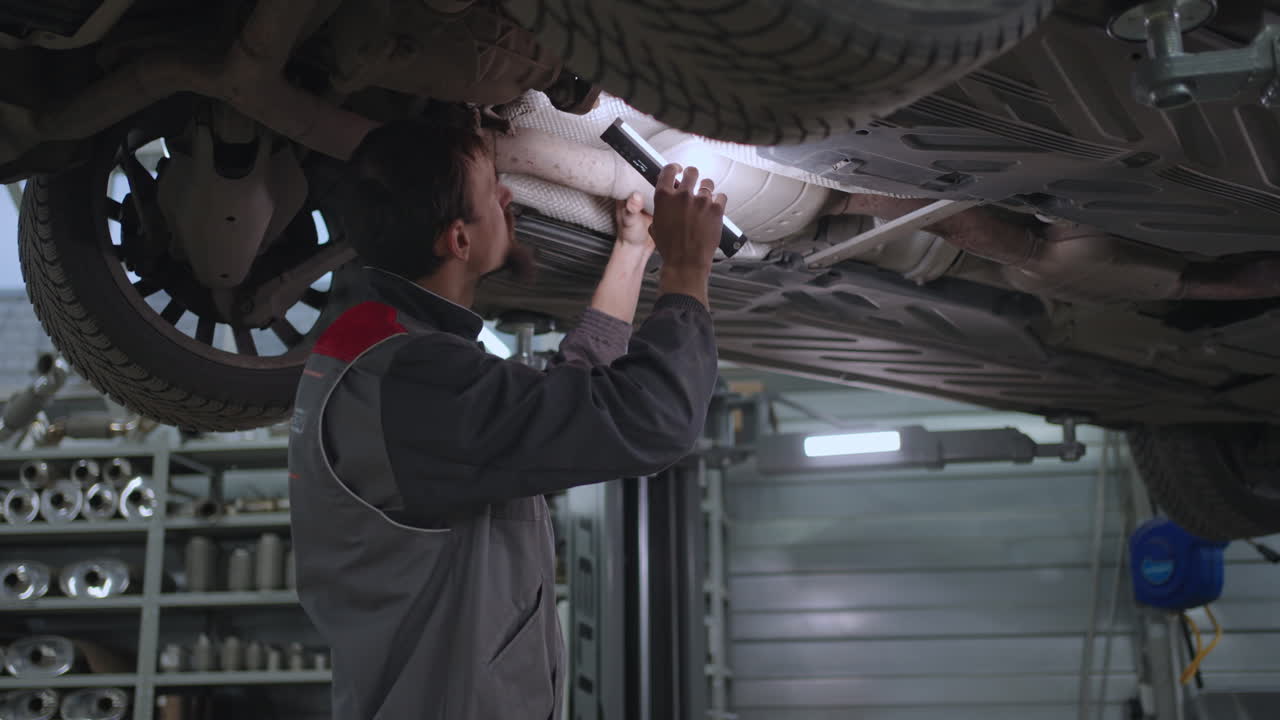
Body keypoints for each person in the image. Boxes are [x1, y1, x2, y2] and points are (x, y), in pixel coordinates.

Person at [287, 118, 724, 720]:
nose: (509, 196)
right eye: (493, 188)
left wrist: (632, 253)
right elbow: (654, 420)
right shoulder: (414, 384)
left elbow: (555, 409)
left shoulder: (389, 356)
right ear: (458, 241)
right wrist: (686, 271)